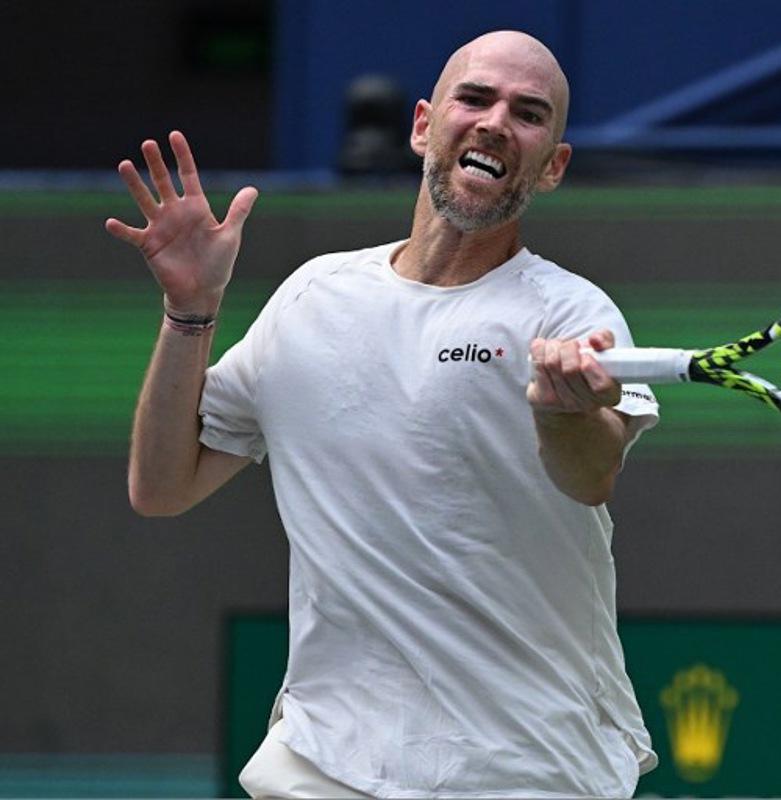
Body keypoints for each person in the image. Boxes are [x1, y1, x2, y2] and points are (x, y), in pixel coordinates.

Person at [105, 30, 659, 799]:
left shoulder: (571, 312)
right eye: (475, 98)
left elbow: (591, 473)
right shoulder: (312, 297)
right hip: (327, 760)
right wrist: (188, 311)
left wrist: (564, 411)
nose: (497, 121)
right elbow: (162, 486)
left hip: (529, 768)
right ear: (424, 125)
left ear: (554, 165)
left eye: (529, 114)